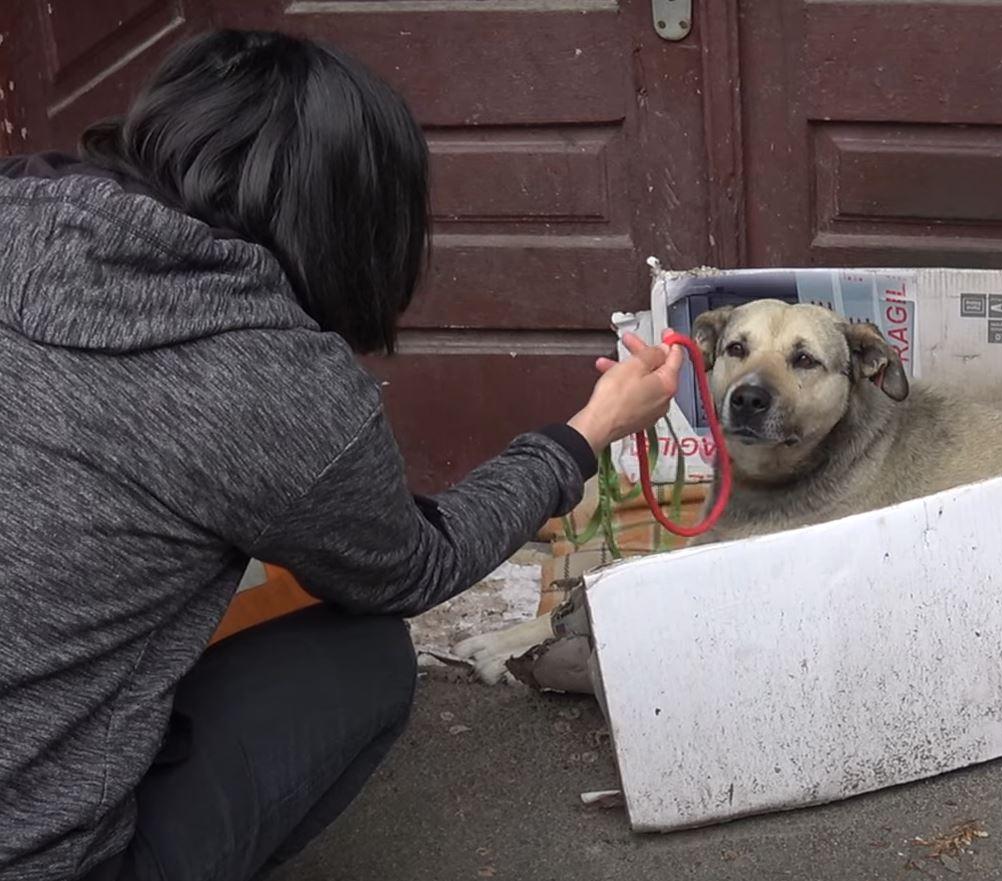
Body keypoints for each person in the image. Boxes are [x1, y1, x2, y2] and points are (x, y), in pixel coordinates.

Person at [0, 29, 683, 881]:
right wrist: (587, 432)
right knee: (361, 658)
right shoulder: (272, 379)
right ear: (352, 219)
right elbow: (412, 566)